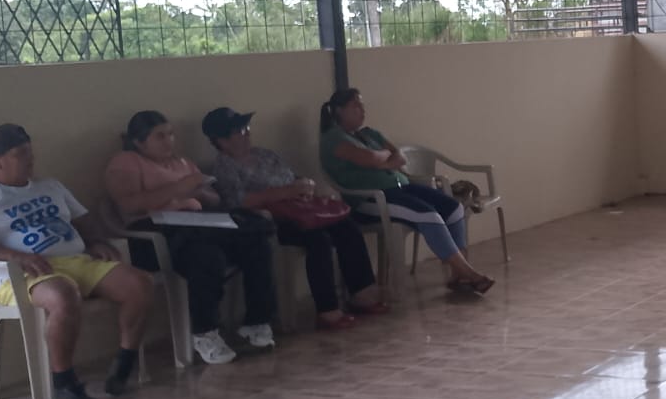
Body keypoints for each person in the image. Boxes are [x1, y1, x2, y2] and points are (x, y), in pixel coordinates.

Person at [0, 124, 156, 399]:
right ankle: (64, 382)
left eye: (30, 152)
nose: (31, 159)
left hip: (77, 261)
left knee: (140, 283)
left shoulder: (51, 186)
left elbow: (83, 221)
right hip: (25, 274)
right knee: (63, 295)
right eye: (21, 154)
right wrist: (16, 256)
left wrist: (95, 241)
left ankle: (124, 363)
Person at [105, 110, 280, 365]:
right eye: (160, 136)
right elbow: (129, 204)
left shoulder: (182, 163)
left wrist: (199, 192)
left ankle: (257, 321)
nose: (169, 141)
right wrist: (180, 188)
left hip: (196, 223)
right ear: (139, 142)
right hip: (154, 233)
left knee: (256, 244)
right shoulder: (126, 162)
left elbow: (214, 198)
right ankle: (205, 332)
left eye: (171, 134)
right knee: (206, 256)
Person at [204, 106, 386, 332]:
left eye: (246, 128)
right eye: (239, 131)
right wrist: (285, 192)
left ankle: (361, 293)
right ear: (221, 140)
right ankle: (327, 309)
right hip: (271, 221)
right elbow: (238, 201)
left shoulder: (265, 155)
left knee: (346, 226)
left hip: (299, 209)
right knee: (318, 240)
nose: (247, 134)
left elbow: (292, 177)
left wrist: (304, 186)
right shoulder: (224, 166)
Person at [318, 88, 494, 295]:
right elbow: (370, 159)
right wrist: (385, 156)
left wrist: (383, 160)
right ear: (339, 110)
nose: (362, 110)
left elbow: (401, 157)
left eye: (362, 105)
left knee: (454, 208)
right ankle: (469, 273)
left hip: (401, 187)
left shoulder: (369, 133)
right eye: (355, 105)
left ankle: (457, 275)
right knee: (428, 214)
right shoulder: (333, 139)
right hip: (371, 198)